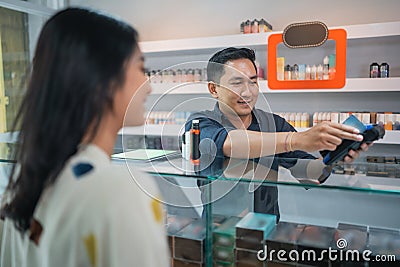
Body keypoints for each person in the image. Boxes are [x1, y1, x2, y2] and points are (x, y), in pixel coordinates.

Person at [0, 8, 169, 267]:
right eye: (141, 68)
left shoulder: (18, 190)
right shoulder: (121, 194)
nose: (149, 85)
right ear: (105, 81)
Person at [185, 47, 369, 218]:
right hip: (219, 231)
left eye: (253, 82)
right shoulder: (201, 124)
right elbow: (230, 143)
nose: (247, 92)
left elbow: (310, 176)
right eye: (237, 83)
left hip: (265, 229)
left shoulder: (274, 124)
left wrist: (333, 157)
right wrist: (296, 139)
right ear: (213, 89)